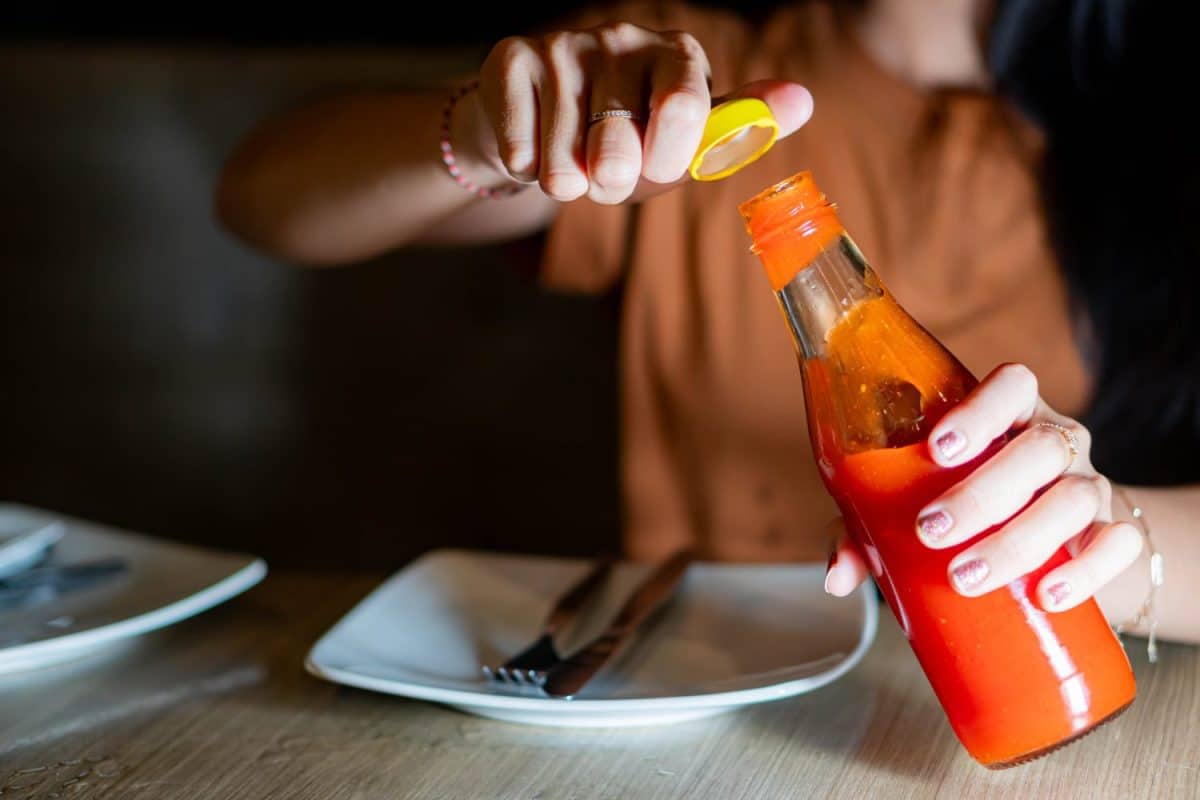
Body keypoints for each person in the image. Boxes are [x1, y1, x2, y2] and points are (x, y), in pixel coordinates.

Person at [215, 0, 1198, 644]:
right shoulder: (683, 89)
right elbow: (262, 197)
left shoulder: (1152, 128)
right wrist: (483, 133)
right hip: (705, 710)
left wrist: (1116, 539)